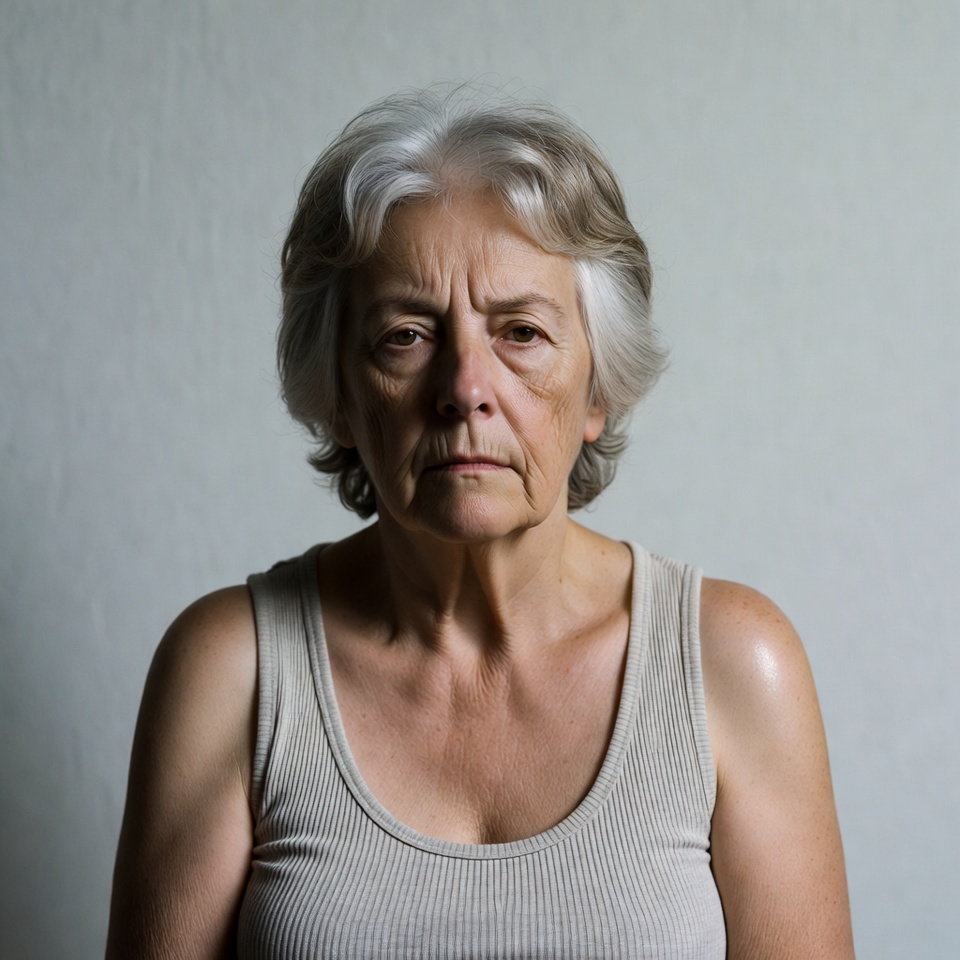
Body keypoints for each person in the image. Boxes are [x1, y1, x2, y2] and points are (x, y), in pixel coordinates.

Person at [106, 86, 855, 959]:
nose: (465, 387)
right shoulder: (231, 671)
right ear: (340, 398)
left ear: (598, 390)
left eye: (522, 332)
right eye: (406, 335)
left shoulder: (733, 664)